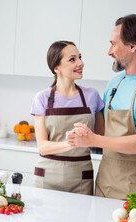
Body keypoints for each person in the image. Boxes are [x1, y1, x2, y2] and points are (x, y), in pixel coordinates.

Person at [67, 14, 136, 200]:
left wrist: (93, 140)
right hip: (105, 183)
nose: (109, 51)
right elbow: (102, 131)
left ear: (133, 46)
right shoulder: (115, 83)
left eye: (114, 44)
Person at [30, 40, 104, 195]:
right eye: (72, 59)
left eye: (80, 57)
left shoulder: (92, 96)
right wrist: (73, 143)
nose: (81, 63)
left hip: (81, 178)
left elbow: (101, 137)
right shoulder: (42, 98)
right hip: (47, 177)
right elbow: (43, 146)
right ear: (57, 68)